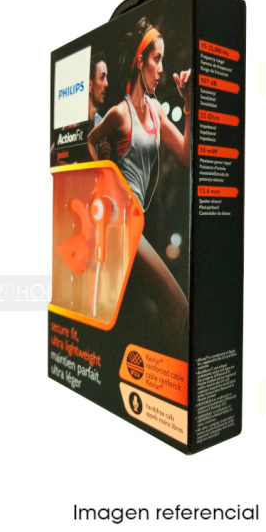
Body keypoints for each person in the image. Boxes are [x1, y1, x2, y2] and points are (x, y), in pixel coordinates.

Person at [87, 18, 191, 344]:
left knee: (139, 315)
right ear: (140, 60)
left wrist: (189, 104)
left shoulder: (157, 110)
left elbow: (187, 154)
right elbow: (90, 139)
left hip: (137, 223)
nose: (161, 69)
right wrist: (104, 175)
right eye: (156, 59)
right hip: (119, 222)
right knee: (177, 308)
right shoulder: (120, 113)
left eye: (163, 60)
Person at [88, 51, 110, 160]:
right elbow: (54, 156)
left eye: (106, 77)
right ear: (90, 85)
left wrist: (103, 158)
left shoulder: (101, 123)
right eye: (102, 77)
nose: (106, 83)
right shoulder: (74, 123)